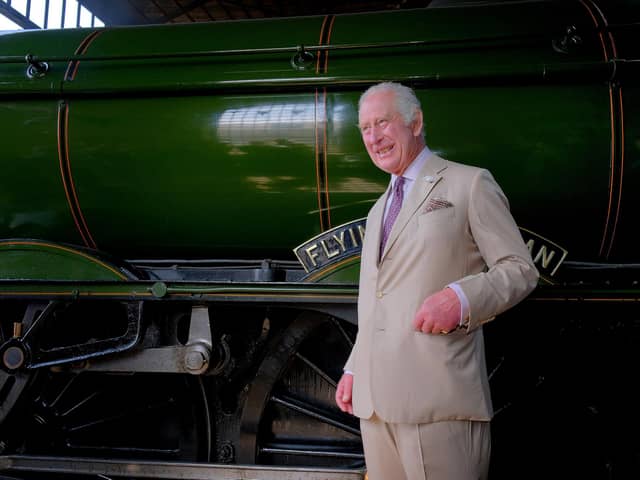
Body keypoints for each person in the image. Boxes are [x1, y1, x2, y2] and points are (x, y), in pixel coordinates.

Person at [335, 82, 539, 480]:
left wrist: (461, 298)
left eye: (383, 123)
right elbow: (377, 298)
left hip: (438, 401)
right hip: (375, 407)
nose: (374, 137)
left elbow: (520, 268)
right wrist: (356, 367)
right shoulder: (379, 209)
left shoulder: (470, 183)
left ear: (416, 122)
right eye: (365, 129)